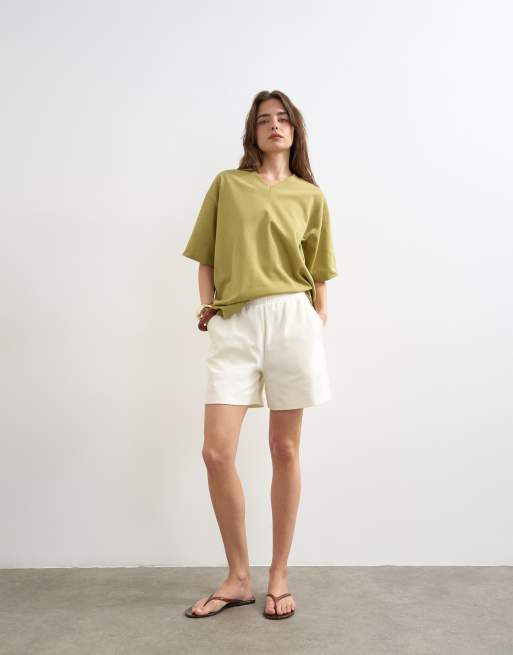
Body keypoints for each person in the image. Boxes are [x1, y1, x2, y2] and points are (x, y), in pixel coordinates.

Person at [182, 90, 338, 620]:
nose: (275, 125)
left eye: (283, 118)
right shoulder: (228, 185)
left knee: (284, 449)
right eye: (264, 119)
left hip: (292, 319)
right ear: (252, 131)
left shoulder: (310, 196)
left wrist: (317, 315)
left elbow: (319, 270)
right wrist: (209, 307)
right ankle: (238, 577)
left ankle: (279, 575)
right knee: (216, 452)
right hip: (236, 321)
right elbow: (205, 256)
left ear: (295, 130)